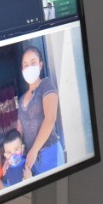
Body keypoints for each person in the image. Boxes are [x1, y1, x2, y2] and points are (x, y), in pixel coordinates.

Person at [18, 46, 65, 177]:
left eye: (33, 63)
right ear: (22, 69)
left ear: (40, 65)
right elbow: (18, 132)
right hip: (31, 161)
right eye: (25, 65)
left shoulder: (46, 84)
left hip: (49, 152)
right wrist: (11, 155)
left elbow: (50, 119)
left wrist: (34, 150)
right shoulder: (21, 99)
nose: (29, 67)